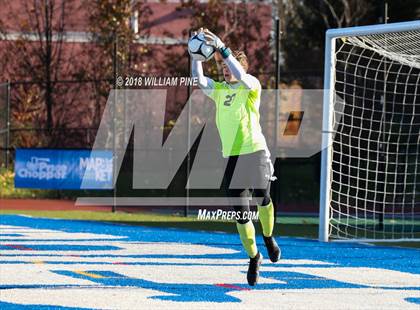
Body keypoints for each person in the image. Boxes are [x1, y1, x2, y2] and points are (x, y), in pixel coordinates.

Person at [190, 28, 281, 286]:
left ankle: (269, 236)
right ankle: (254, 257)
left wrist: (222, 47)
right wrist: (195, 54)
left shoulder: (251, 85)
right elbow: (199, 81)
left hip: (256, 151)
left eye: (230, 67)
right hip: (232, 158)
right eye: (224, 67)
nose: (225, 70)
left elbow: (240, 74)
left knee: (263, 199)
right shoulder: (219, 90)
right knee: (241, 215)